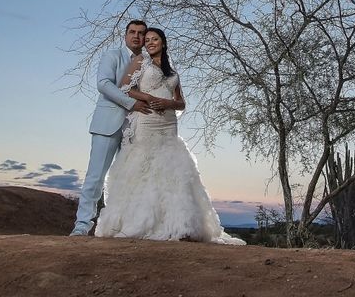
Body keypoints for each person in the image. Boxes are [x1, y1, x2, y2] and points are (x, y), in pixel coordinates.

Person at [94, 28, 245, 244]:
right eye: (147, 40)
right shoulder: (139, 62)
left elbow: (182, 102)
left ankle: (180, 225)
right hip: (147, 121)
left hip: (168, 124)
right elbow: (125, 88)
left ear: (163, 43)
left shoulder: (173, 72)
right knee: (145, 167)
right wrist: (147, 97)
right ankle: (139, 222)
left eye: (154, 39)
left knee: (172, 170)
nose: (150, 43)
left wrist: (169, 103)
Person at [70, 20, 151, 236]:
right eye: (132, 32)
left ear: (146, 37)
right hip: (107, 123)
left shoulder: (150, 62)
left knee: (129, 179)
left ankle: (121, 227)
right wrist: (131, 103)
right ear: (125, 35)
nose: (136, 36)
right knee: (96, 177)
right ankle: (82, 226)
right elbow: (103, 84)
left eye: (141, 33)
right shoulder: (112, 56)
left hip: (137, 127)